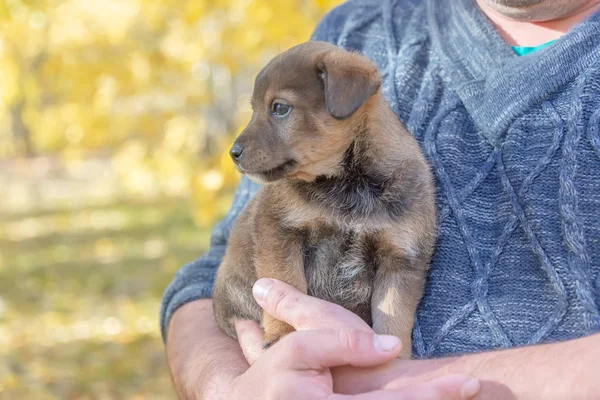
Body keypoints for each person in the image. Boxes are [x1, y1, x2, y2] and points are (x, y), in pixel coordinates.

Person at [161, 0, 600, 398]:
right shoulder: (356, 27)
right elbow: (209, 279)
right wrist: (229, 388)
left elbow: (402, 274)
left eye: (279, 110)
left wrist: (396, 376)